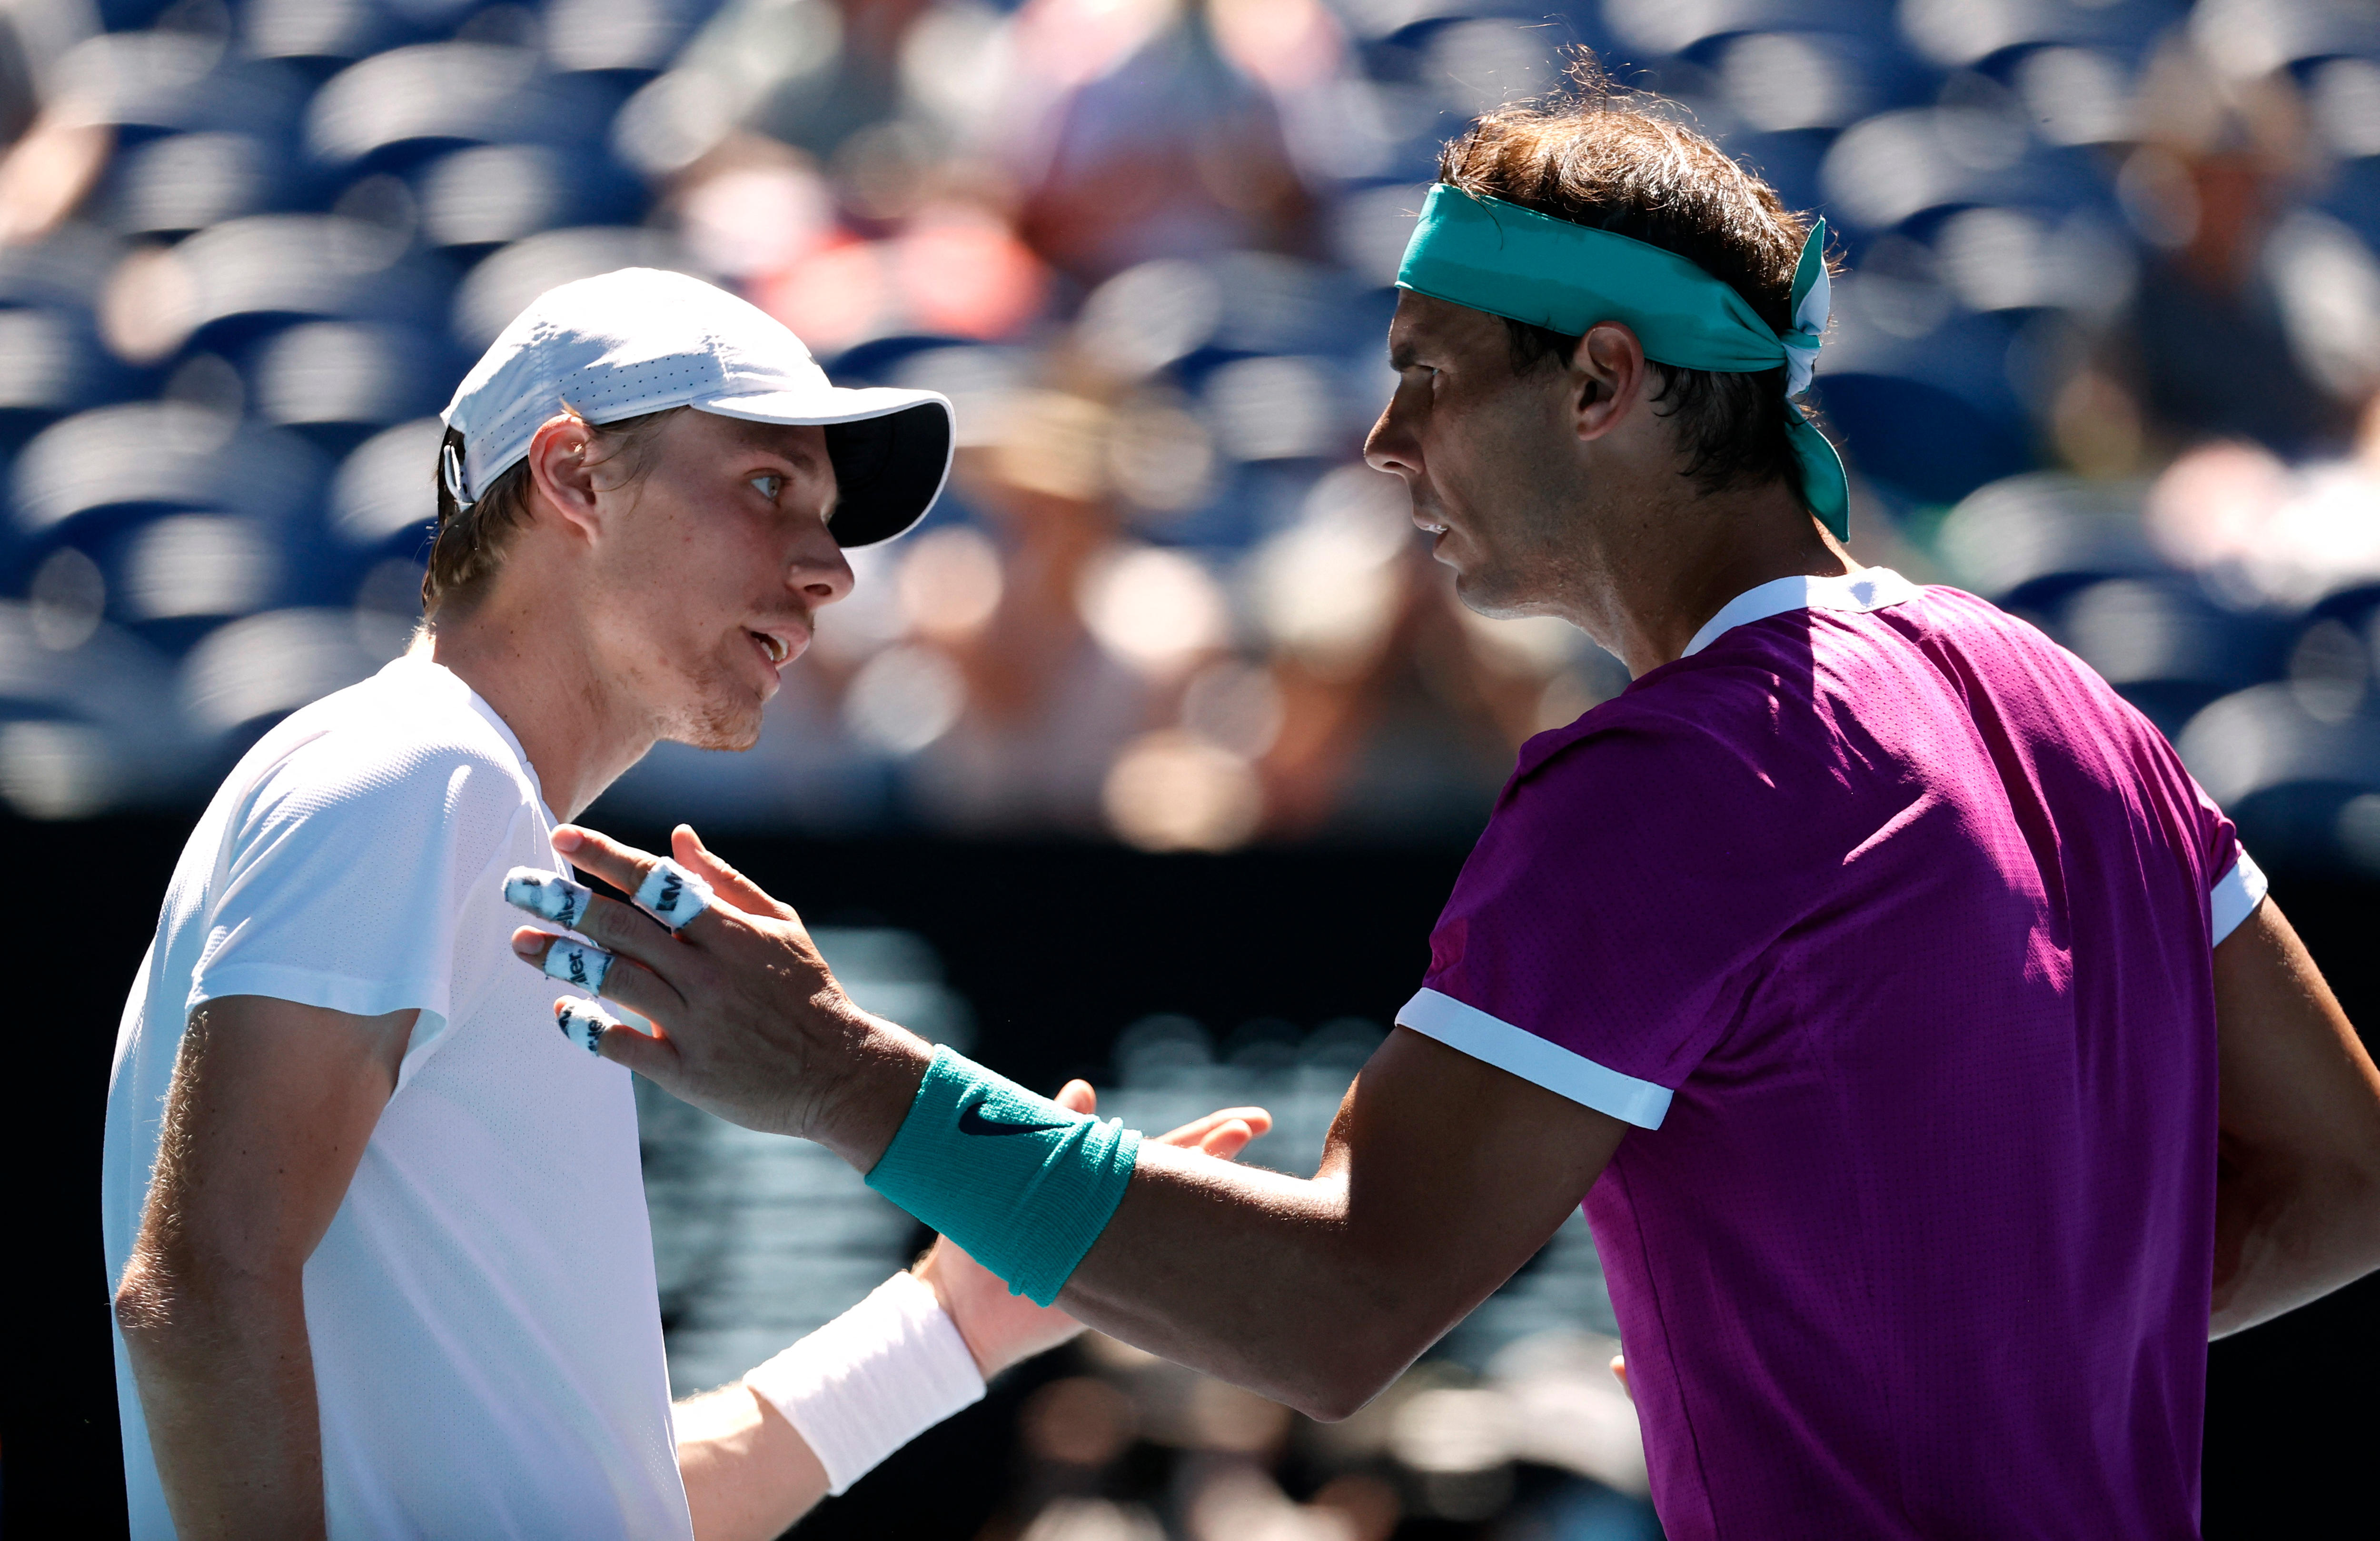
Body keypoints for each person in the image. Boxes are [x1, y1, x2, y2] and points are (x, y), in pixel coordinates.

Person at [505, 72, 2380, 1540]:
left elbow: (1336, 1306)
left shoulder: (1675, 779)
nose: (1385, 443)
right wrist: (2001, 1362)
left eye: (1421, 379)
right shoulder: (2068, 706)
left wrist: (838, 1070)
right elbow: (2348, 1179)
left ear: (1603, 387)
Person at [101, 267, 1268, 1541]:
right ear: (575, 478)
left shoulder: (448, 794)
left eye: (827, 517)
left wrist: (952, 1327)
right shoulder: (419, 775)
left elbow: (612, 1513)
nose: (832, 571)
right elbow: (199, 1288)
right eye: (770, 489)